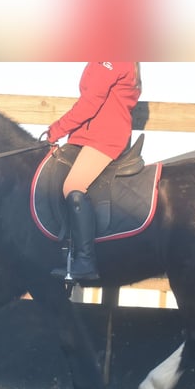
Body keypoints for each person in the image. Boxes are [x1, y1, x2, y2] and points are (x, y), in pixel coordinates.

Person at [45, 62, 142, 281]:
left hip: (104, 138)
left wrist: (55, 131)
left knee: (74, 186)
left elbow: (90, 104)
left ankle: (86, 261)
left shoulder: (112, 56)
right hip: (89, 137)